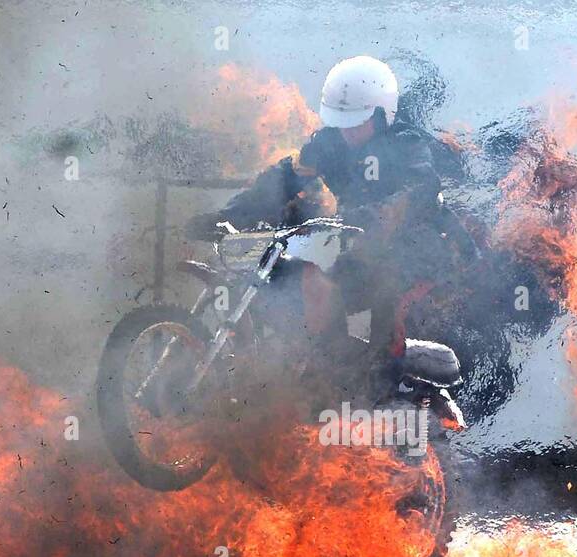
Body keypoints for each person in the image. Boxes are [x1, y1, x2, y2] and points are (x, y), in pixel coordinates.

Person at [191, 56, 476, 394]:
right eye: (342, 122)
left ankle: (382, 377)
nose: (349, 131)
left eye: (358, 122)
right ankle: (322, 362)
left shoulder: (407, 144)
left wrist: (373, 215)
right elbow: (282, 180)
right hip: (357, 240)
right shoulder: (327, 143)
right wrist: (227, 215)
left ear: (383, 114)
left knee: (371, 304)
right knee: (310, 274)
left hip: (419, 245)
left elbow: (420, 190)